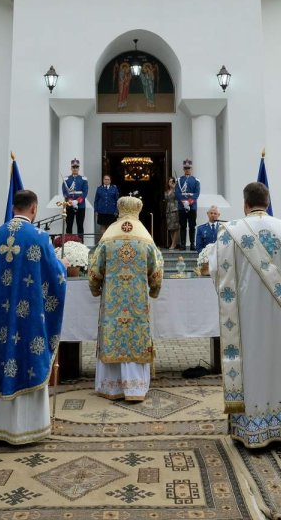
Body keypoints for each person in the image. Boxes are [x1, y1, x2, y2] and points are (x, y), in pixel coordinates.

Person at [211, 181, 281, 448]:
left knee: (253, 365)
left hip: (245, 316)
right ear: (267, 202)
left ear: (245, 204)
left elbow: (216, 272)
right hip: (280, 316)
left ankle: (252, 430)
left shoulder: (229, 232)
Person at [0, 189, 66, 445]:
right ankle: (25, 428)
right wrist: (63, 268)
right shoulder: (39, 237)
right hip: (27, 316)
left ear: (13, 208)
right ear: (34, 209)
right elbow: (55, 278)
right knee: (25, 358)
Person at [88, 195, 163, 401]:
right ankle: (135, 388)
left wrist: (95, 289)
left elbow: (94, 270)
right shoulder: (145, 237)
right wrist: (154, 290)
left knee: (114, 335)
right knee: (135, 337)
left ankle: (111, 387)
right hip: (137, 303)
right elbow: (157, 271)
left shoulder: (109, 236)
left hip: (112, 304)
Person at [176, 159, 200, 250]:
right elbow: (177, 193)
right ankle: (182, 244)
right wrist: (183, 202)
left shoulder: (196, 180)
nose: (187, 170)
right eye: (185, 168)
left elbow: (196, 193)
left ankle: (192, 244)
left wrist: (189, 202)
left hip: (192, 207)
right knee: (182, 226)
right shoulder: (179, 180)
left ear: (191, 169)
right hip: (182, 207)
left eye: (188, 168)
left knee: (192, 226)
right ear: (183, 169)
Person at [62, 158, 89, 238]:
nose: (75, 169)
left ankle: (80, 243)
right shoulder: (66, 179)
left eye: (76, 167)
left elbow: (85, 192)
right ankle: (68, 243)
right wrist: (71, 201)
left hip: (80, 206)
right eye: (73, 167)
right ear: (71, 168)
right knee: (69, 225)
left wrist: (77, 201)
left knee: (80, 225)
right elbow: (64, 192)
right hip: (69, 205)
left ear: (79, 168)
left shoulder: (83, 179)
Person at [165, 177, 180, 249]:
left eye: (172, 182)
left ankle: (173, 244)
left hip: (175, 209)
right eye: (169, 182)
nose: (171, 183)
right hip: (168, 210)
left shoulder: (176, 190)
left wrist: (174, 188)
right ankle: (173, 243)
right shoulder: (166, 191)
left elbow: (178, 197)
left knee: (176, 227)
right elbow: (166, 199)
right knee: (170, 227)